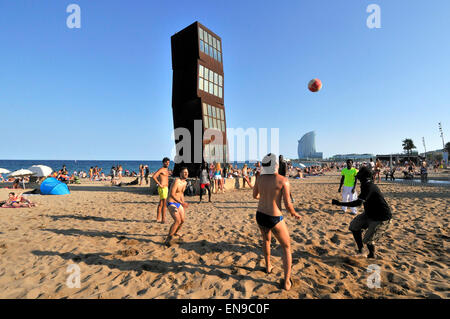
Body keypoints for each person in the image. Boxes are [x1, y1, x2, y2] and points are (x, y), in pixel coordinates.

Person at [253, 153, 301, 291]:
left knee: (266, 241)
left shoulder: (260, 178)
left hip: (260, 215)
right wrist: (294, 213)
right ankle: (286, 282)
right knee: (286, 247)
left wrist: (265, 198)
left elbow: (255, 195)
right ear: (276, 165)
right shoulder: (283, 180)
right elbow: (287, 205)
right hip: (274, 217)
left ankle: (268, 266)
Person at [331, 166, 392, 259]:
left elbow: (358, 203)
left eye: (359, 175)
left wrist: (340, 203)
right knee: (354, 226)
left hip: (381, 218)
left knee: (368, 240)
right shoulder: (365, 184)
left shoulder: (368, 186)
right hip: (369, 214)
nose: (357, 176)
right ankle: (361, 250)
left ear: (364, 176)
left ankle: (372, 255)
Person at [165, 167, 189, 247]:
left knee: (182, 221)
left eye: (187, 172)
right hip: (171, 202)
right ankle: (169, 238)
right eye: (184, 172)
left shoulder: (185, 183)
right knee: (177, 220)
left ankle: (174, 233)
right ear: (180, 173)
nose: (186, 174)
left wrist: (183, 202)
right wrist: (181, 202)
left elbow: (181, 193)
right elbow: (172, 194)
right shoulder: (176, 181)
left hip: (179, 203)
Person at [152, 157, 170, 223]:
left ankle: (158, 218)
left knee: (161, 203)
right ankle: (163, 219)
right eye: (166, 162)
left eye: (168, 162)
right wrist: (159, 184)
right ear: (163, 163)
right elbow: (154, 176)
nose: (167, 164)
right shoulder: (161, 169)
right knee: (164, 204)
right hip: (162, 188)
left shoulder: (166, 170)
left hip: (165, 188)